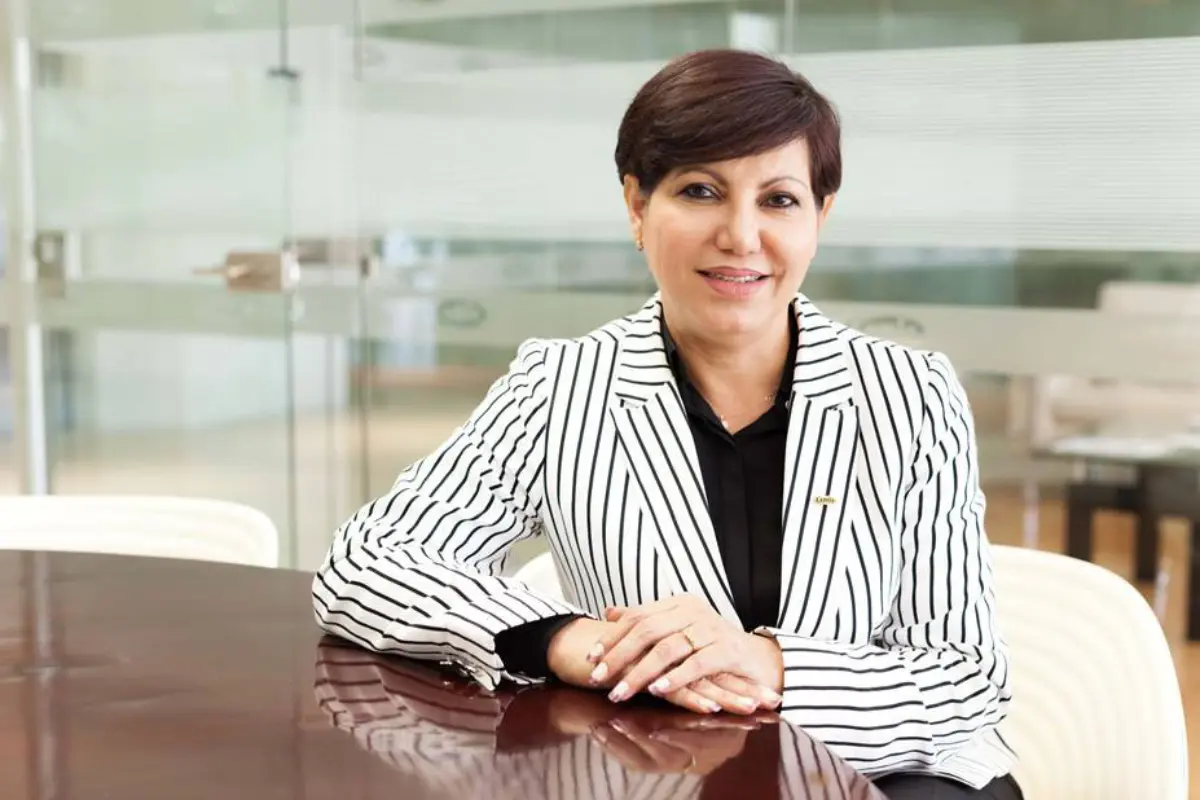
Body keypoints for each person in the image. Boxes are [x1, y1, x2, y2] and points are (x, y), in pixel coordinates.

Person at [312, 49, 1020, 800]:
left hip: (892, 780)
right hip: (661, 781)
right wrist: (567, 640)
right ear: (637, 207)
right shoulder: (561, 386)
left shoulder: (909, 395)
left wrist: (770, 667)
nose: (741, 236)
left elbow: (964, 675)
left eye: (778, 200)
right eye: (700, 191)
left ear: (821, 216)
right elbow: (371, 560)